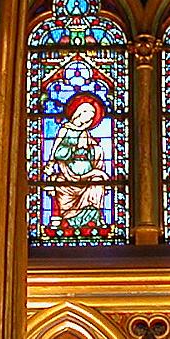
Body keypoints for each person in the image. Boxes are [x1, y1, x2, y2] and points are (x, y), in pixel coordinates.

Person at [49, 91, 112, 237]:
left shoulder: (85, 134)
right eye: (86, 117)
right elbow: (57, 151)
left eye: (90, 119)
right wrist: (74, 148)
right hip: (68, 173)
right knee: (60, 183)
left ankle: (93, 219)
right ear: (77, 113)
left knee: (98, 181)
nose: (86, 121)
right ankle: (67, 219)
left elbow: (93, 153)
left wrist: (92, 149)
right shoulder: (65, 130)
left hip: (87, 172)